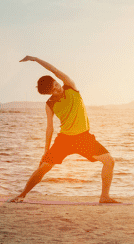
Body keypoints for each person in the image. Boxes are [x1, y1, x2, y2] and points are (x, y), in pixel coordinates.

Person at [10, 56, 118, 203]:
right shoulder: (50, 104)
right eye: (53, 89)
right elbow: (50, 128)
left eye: (56, 84)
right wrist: (45, 151)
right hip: (64, 140)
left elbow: (54, 70)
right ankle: (22, 195)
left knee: (109, 161)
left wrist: (35, 59)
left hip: (84, 138)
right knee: (43, 168)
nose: (57, 88)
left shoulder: (70, 87)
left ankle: (104, 197)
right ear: (49, 93)